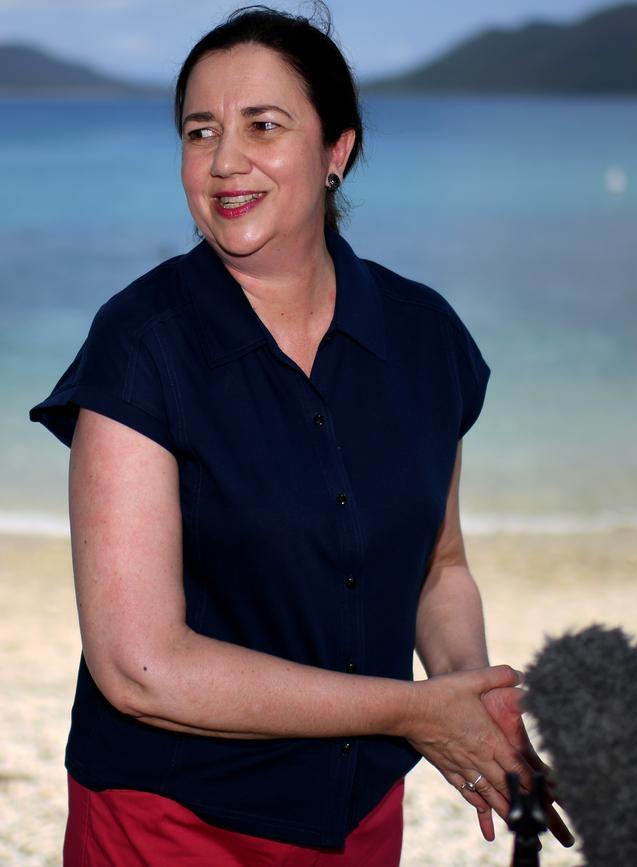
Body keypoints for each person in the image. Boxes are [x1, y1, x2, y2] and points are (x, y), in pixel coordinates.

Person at [29, 5, 572, 865]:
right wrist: (409, 709)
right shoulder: (140, 342)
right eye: (199, 131)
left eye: (263, 126)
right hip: (172, 822)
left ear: (335, 153)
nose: (225, 161)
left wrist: (469, 695)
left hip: (356, 820)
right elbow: (141, 667)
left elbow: (440, 566)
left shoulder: (423, 335)